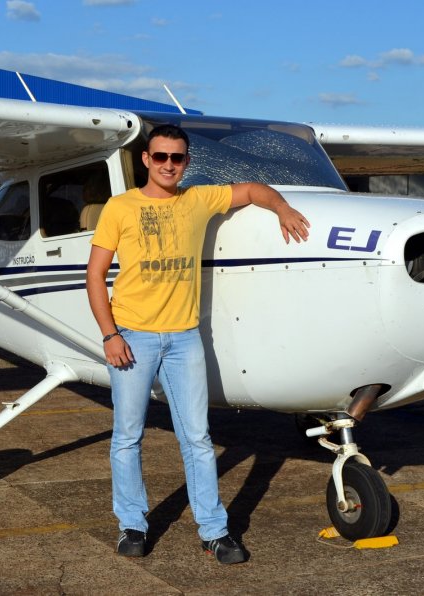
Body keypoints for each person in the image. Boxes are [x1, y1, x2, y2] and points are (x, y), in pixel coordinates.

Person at [85, 123, 310, 564]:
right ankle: (132, 525)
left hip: (184, 339)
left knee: (198, 438)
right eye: (161, 156)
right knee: (128, 436)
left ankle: (214, 530)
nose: (168, 165)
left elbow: (253, 190)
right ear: (146, 159)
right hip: (132, 336)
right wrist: (110, 334)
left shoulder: (199, 199)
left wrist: (282, 208)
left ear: (187, 162)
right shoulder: (120, 207)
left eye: (177, 158)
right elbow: (94, 276)